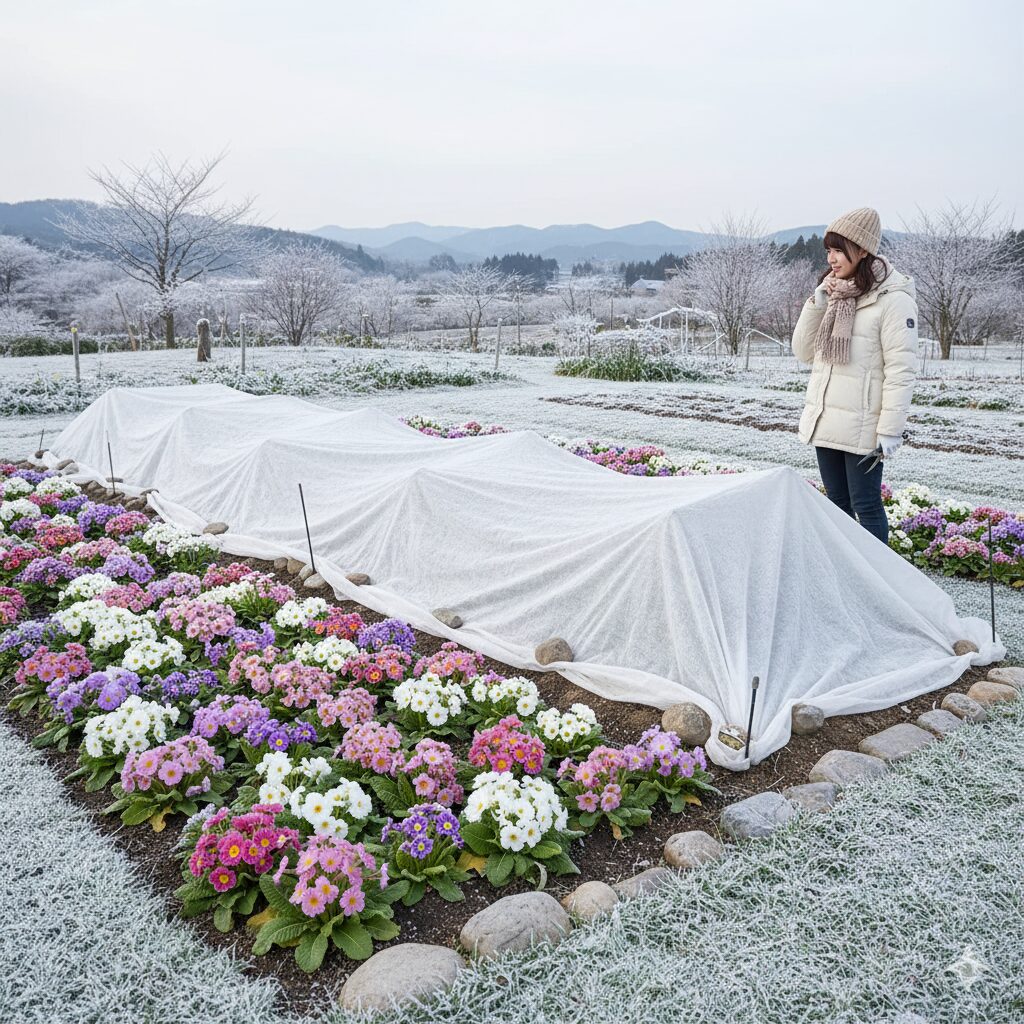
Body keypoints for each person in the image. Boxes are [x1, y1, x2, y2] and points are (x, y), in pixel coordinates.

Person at [791, 207, 918, 544]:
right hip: (827, 418)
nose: (832, 259)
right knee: (836, 506)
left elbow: (900, 370)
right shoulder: (832, 293)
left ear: (863, 250)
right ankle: (844, 579)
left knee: (866, 505)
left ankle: (878, 583)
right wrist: (817, 301)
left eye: (839, 249)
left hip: (864, 425)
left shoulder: (893, 300)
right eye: (829, 250)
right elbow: (803, 352)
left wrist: (891, 429)